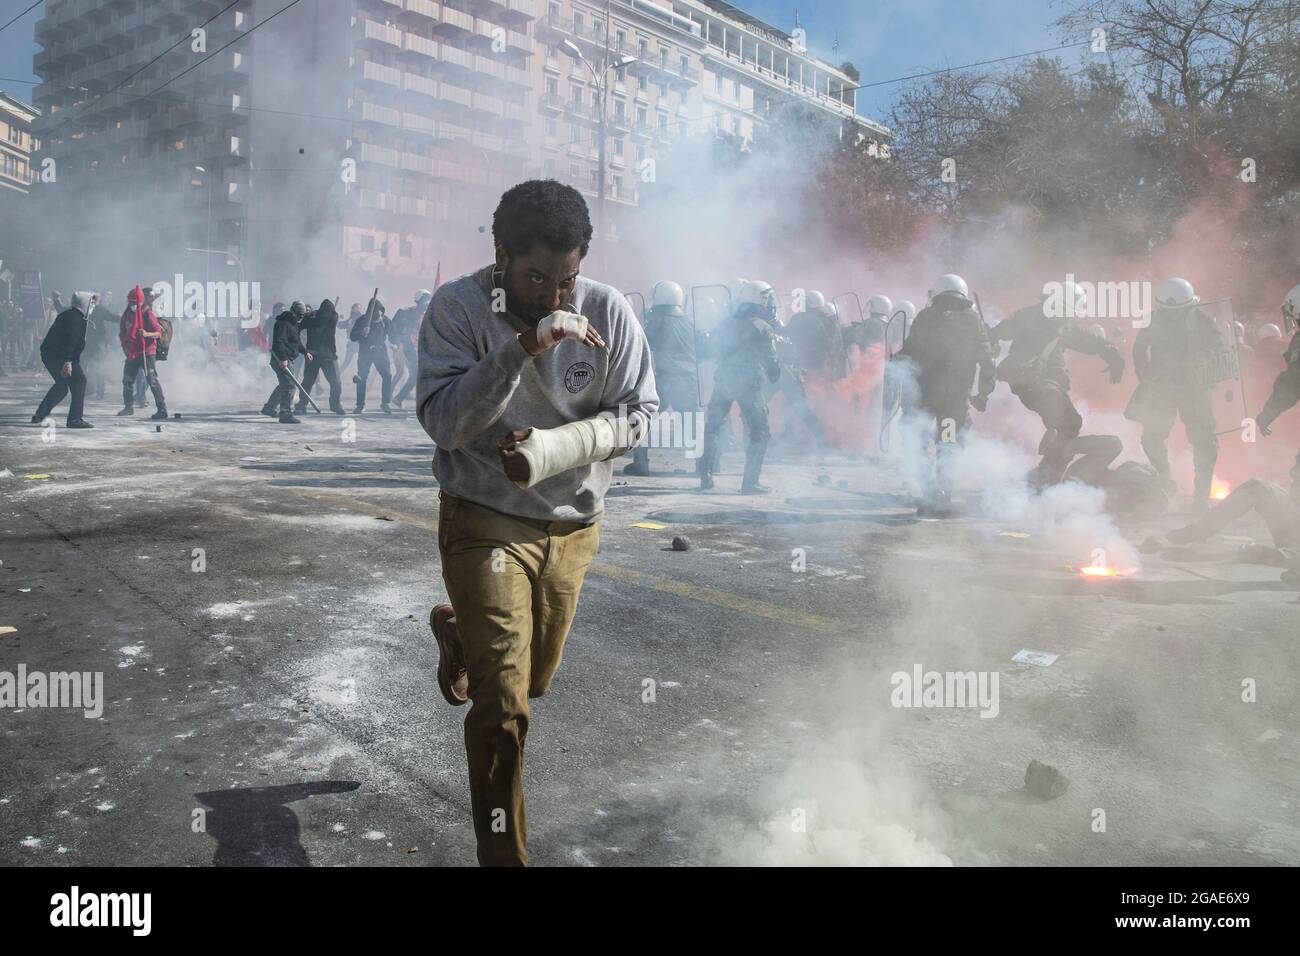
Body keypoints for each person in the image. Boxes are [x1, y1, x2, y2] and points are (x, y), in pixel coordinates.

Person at [418, 179, 656, 866]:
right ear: (500, 253)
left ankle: (461, 634)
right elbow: (444, 422)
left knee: (536, 679)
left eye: (566, 278)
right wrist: (520, 348)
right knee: (504, 707)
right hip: (485, 520)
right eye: (536, 276)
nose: (554, 294)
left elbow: (641, 412)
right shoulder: (458, 308)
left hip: (573, 525)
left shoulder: (607, 309)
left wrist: (562, 446)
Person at [989, 281, 1125, 487]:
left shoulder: (1037, 318)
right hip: (1041, 385)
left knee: (1067, 427)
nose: (1072, 316)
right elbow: (999, 332)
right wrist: (1113, 356)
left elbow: (999, 332)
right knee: (1069, 424)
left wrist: (1112, 354)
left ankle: (1047, 472)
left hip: (1033, 385)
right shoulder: (1057, 325)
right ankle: (1046, 472)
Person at [893, 274, 996, 517]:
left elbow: (909, 353)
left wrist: (895, 363)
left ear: (937, 292)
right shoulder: (973, 321)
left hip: (924, 398)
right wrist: (982, 395)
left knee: (915, 441)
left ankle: (928, 489)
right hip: (953, 403)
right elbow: (989, 363)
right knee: (947, 445)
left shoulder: (926, 316)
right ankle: (942, 498)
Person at [1124, 277, 1224, 509]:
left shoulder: (1201, 319)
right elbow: (1139, 348)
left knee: (1204, 441)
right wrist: (1146, 376)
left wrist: (1207, 372)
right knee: (1153, 437)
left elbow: (1220, 349)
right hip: (1164, 388)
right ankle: (1166, 482)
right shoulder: (1156, 319)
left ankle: (1200, 497)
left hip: (1193, 389)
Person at [698, 279, 782, 493]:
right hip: (749, 385)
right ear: (759, 300)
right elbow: (771, 363)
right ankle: (750, 482)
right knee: (760, 432)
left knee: (713, 427)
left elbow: (710, 348)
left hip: (724, 381)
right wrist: (775, 372)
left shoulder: (725, 322)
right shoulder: (763, 327)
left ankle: (705, 476)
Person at [625, 279, 699, 476]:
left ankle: (641, 464)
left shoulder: (658, 321)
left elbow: (643, 343)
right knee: (692, 424)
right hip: (689, 380)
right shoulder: (690, 322)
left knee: (644, 417)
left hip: (666, 379)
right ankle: (703, 467)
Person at [31, 291, 94, 429]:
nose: (92, 305)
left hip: (52, 354)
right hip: (58, 355)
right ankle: (75, 419)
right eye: (91, 302)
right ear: (84, 303)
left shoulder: (72, 315)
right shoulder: (76, 318)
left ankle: (40, 414)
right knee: (79, 381)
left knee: (62, 385)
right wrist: (67, 362)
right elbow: (70, 342)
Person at [117, 285, 168, 419]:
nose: (132, 305)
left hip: (147, 351)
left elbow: (159, 332)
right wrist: (125, 348)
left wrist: (146, 334)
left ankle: (162, 409)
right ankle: (128, 407)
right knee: (127, 380)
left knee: (152, 380)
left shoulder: (147, 313)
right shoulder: (127, 314)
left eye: (135, 303)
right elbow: (122, 333)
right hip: (133, 352)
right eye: (130, 302)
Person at [296, 299, 345, 414]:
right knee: (308, 382)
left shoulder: (333, 317)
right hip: (312, 354)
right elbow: (297, 329)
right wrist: (302, 348)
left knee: (336, 382)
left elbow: (333, 315)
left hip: (329, 355)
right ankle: (302, 404)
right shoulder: (311, 318)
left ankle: (335, 404)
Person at [261, 301, 308, 424]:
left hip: (288, 358)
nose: (300, 318)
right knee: (289, 385)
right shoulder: (283, 323)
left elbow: (296, 341)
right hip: (280, 359)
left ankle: (269, 408)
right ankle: (285, 413)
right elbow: (278, 342)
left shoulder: (293, 324)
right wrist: (283, 359)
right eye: (299, 315)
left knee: (285, 384)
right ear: (293, 312)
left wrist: (305, 351)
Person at [350, 297, 394, 414]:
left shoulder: (385, 321)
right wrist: (362, 332)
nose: (379, 314)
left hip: (381, 353)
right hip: (365, 353)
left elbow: (392, 335)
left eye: (380, 311)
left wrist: (395, 344)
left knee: (387, 376)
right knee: (361, 378)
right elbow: (352, 336)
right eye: (376, 312)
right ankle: (360, 404)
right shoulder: (362, 321)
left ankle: (385, 403)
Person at [392, 290, 431, 408]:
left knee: (416, 374)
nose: (427, 305)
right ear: (420, 301)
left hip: (414, 349)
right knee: (407, 373)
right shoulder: (404, 312)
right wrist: (396, 345)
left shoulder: (423, 316)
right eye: (425, 302)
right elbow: (392, 330)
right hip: (402, 347)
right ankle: (394, 398)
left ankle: (398, 397)